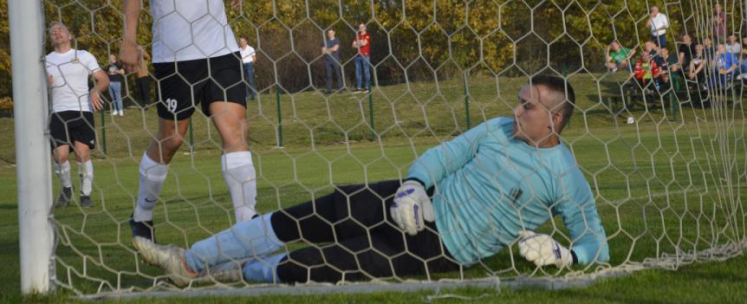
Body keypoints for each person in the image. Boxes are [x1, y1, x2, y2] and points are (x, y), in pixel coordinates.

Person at [133, 75, 609, 286]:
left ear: (556, 118)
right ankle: (191, 262)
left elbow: (596, 242)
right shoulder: (498, 130)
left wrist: (567, 254)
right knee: (314, 214)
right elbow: (445, 154)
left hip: (440, 249)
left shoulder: (565, 177)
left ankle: (234, 271)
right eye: (518, 99)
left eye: (527, 105)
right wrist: (415, 184)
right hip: (411, 203)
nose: (516, 109)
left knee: (322, 265)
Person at [119, 0, 256, 243]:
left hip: (221, 48)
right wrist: (129, 40)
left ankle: (248, 228)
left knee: (234, 131)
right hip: (177, 56)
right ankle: (143, 214)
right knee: (172, 139)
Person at [45, 21, 110, 208]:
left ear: (69, 35)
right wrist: (44, 85)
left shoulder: (83, 56)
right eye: (52, 31)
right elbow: (37, 88)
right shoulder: (47, 60)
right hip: (58, 112)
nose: (56, 33)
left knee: (82, 154)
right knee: (60, 155)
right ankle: (66, 188)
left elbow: (103, 79)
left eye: (60, 30)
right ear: (50, 39)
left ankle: (85, 195)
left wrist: (95, 90)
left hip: (81, 110)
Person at [321, 28, 343, 93]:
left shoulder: (337, 40)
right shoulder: (325, 42)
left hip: (335, 60)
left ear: (334, 33)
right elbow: (323, 52)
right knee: (328, 75)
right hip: (327, 61)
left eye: (331, 33)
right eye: (328, 33)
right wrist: (329, 50)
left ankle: (340, 89)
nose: (329, 34)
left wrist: (327, 50)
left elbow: (335, 49)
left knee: (337, 74)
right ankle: (329, 90)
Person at [352, 23, 371, 93]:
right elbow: (353, 45)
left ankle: (367, 87)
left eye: (362, 27)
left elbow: (364, 43)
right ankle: (359, 88)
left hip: (365, 55)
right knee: (358, 72)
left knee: (366, 71)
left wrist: (357, 44)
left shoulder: (367, 35)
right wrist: (359, 44)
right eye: (360, 27)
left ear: (365, 27)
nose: (361, 28)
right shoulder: (357, 36)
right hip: (358, 56)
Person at [134, 45, 151, 109]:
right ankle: (142, 104)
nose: (137, 49)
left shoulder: (143, 55)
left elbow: (148, 57)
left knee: (145, 90)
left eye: (139, 48)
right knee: (139, 91)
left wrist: (142, 51)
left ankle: (147, 104)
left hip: (144, 75)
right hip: (137, 76)